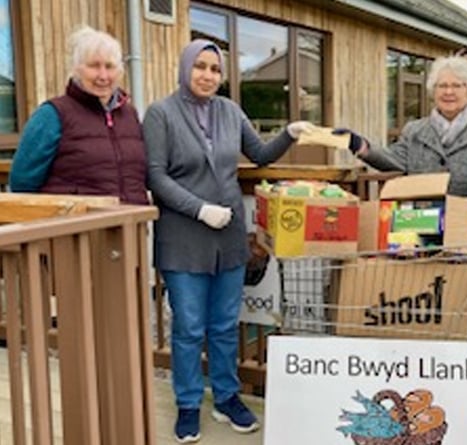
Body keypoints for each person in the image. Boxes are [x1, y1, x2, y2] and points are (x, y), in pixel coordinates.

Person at [142, 39, 314, 443]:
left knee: (222, 325)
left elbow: (260, 154)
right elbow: (156, 176)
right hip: (184, 237)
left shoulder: (230, 111)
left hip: (230, 239)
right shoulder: (160, 113)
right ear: (186, 68)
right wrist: (199, 208)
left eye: (215, 69)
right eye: (200, 67)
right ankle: (187, 403)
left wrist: (289, 133)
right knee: (187, 327)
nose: (207, 75)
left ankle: (226, 397)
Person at [336, 55, 467, 239]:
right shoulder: (415, 131)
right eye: (442, 85)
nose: (448, 92)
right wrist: (359, 144)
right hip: (423, 231)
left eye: (456, 85)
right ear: (433, 91)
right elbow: (395, 160)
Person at [9, 25, 148, 205]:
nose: (103, 75)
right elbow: (22, 182)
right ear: (76, 69)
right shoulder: (52, 114)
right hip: (76, 229)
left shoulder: (129, 114)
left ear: (120, 71)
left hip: (129, 227)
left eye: (110, 66)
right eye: (94, 66)